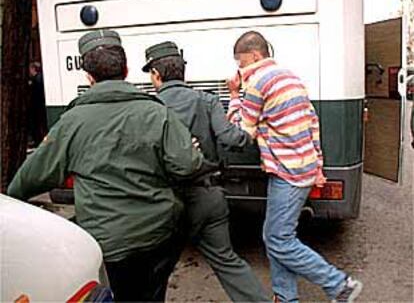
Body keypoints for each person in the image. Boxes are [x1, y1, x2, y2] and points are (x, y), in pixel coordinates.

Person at [7, 30, 204, 302]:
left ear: (88, 76)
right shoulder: (157, 112)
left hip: (109, 244)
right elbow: (188, 165)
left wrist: (9, 205)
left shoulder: (71, 122)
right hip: (159, 235)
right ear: (126, 70)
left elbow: (28, 180)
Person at [226, 31, 363, 303]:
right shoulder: (291, 78)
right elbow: (312, 123)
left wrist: (233, 94)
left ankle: (339, 284)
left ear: (254, 56)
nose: (239, 70)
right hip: (303, 168)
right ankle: (285, 297)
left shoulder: (257, 84)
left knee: (278, 239)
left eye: (240, 63)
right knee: (278, 236)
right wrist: (318, 167)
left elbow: (242, 131)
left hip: (287, 173)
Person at [141, 41, 271, 303]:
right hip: (208, 196)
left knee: (154, 272)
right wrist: (252, 132)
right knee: (227, 262)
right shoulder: (207, 100)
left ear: (156, 74)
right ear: (182, 71)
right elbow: (232, 139)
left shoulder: (147, 107)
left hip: (167, 204)